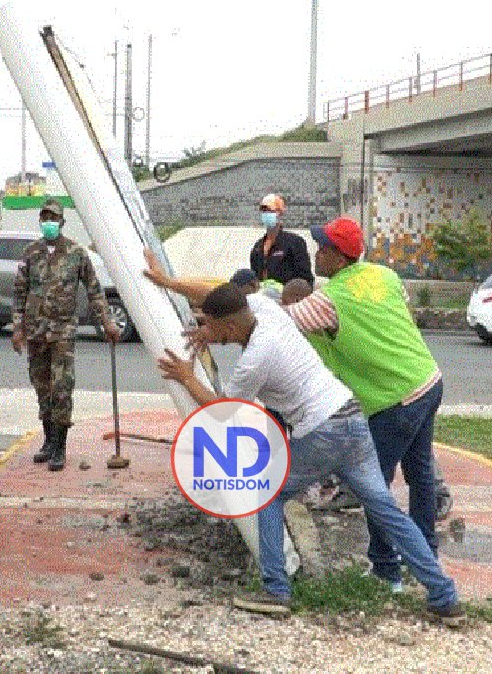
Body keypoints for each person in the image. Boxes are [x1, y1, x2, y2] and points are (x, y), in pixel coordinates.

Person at [145, 215, 454, 594]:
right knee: (395, 500)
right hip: (382, 402)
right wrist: (171, 286)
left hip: (350, 419)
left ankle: (280, 590)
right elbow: (219, 296)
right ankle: (442, 592)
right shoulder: (279, 306)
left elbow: (223, 410)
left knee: (268, 493)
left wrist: (188, 377)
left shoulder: (273, 344)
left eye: (323, 248)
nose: (316, 252)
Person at [13, 198, 121, 471]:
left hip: (63, 331)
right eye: (45, 217)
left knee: (61, 388)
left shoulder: (76, 252)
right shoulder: (30, 252)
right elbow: (19, 292)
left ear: (62, 222)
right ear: (40, 221)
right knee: (41, 386)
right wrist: (18, 328)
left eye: (54, 218)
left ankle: (60, 447)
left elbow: (94, 290)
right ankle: (48, 441)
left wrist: (106, 321)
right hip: (36, 331)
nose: (49, 222)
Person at [249, 193, 314, 287]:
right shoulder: (258, 247)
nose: (266, 214)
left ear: (280, 213)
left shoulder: (294, 243)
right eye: (263, 211)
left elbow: (306, 280)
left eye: (270, 211)